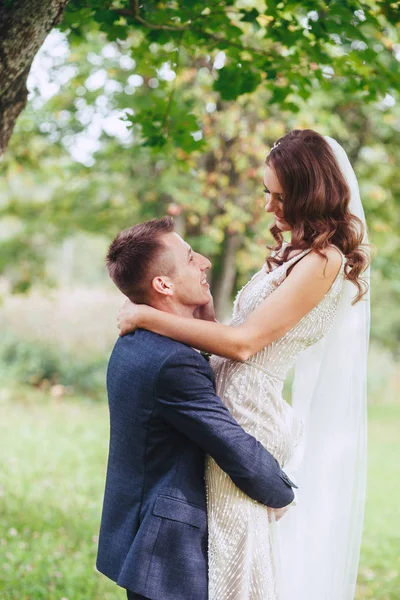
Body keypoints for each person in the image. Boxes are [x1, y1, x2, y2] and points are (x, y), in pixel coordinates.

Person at [117, 130, 371, 599]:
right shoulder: (290, 254)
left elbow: (245, 344)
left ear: (310, 192)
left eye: (280, 195)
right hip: (227, 396)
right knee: (217, 540)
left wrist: (146, 314)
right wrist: (207, 313)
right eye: (266, 192)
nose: (270, 206)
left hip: (250, 412)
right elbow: (232, 335)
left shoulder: (323, 261)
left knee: (235, 545)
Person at [96, 217, 297, 600]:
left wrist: (203, 319)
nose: (204, 261)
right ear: (163, 284)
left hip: (139, 537)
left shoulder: (136, 340)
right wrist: (282, 493)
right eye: (190, 258)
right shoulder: (173, 363)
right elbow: (232, 445)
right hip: (167, 551)